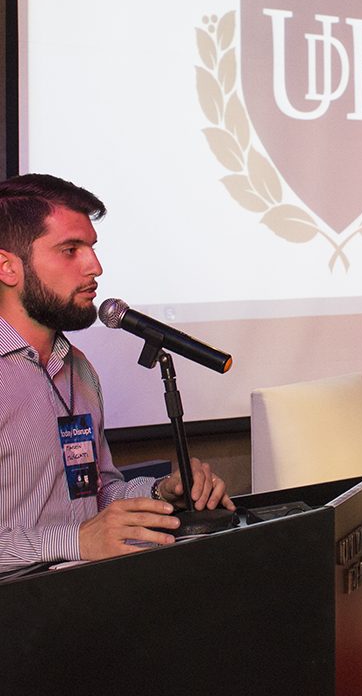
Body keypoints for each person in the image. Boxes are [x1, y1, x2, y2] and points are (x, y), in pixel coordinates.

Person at [0, 173, 235, 574]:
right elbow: (81, 533)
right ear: (7, 267)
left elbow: (96, 494)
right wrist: (75, 540)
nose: (95, 267)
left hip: (88, 591)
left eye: (92, 248)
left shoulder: (78, 368)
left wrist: (162, 494)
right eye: (70, 250)